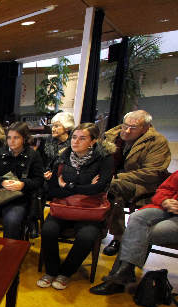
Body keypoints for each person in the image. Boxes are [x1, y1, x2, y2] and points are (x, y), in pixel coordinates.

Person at [37, 123, 115, 290]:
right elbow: (52, 189)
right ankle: (51, 270)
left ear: (93, 141)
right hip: (64, 207)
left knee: (87, 236)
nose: (76, 141)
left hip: (89, 210)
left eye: (82, 138)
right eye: (74, 137)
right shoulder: (62, 157)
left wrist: (68, 186)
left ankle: (66, 272)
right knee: (48, 230)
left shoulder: (105, 159)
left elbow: (100, 187)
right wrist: (84, 187)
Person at [90, 170, 178, 295]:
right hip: (167, 209)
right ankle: (124, 274)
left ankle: (119, 278)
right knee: (137, 217)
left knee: (142, 232)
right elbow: (163, 190)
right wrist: (165, 200)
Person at [101, 110, 171, 256]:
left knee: (113, 187)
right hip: (113, 177)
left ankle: (118, 237)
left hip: (141, 184)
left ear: (145, 128)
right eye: (125, 125)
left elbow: (152, 173)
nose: (126, 130)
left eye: (133, 128)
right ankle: (93, 227)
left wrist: (118, 177)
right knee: (99, 184)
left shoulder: (157, 141)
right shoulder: (112, 135)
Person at [0, 122, 44, 240]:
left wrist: (23, 184)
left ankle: (9, 254)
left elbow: (39, 180)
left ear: (24, 138)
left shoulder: (33, 155)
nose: (11, 141)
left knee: (12, 222)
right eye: (9, 138)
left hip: (19, 199)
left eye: (16, 137)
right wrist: (2, 181)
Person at [40, 112, 75, 181]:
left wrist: (55, 174)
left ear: (67, 128)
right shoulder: (47, 140)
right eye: (52, 126)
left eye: (56, 126)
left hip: (64, 179)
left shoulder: (74, 142)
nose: (52, 129)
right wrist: (44, 172)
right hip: (45, 178)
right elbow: (40, 160)